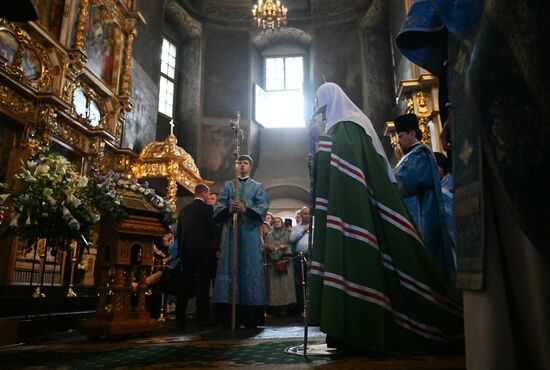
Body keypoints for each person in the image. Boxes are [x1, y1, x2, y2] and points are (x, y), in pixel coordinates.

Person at [307, 82, 463, 354]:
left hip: (355, 213)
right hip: (354, 209)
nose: (321, 116)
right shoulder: (350, 125)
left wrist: (321, 141)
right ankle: (343, 330)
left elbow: (347, 169)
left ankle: (358, 329)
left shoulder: (350, 125)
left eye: (322, 110)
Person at [392, 113, 456, 284]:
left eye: (401, 136)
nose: (398, 141)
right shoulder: (410, 156)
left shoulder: (421, 153)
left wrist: (384, 176)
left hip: (426, 218)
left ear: (413, 133)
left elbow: (405, 180)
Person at [212, 154, 270, 329]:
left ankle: (251, 318)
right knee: (229, 270)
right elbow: (218, 210)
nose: (242, 166)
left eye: (245, 163)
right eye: (239, 163)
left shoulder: (258, 187)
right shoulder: (228, 186)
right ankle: (227, 317)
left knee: (249, 271)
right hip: (230, 235)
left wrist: (246, 209)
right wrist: (229, 209)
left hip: (250, 236)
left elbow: (263, 208)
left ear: (250, 166)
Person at [176, 184, 218, 327]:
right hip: (203, 254)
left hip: (186, 253)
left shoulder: (183, 211)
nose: (208, 197)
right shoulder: (207, 209)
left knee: (184, 285)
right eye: (208, 194)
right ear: (204, 193)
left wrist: (180, 254)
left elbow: (179, 235)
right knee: (202, 285)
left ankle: (179, 316)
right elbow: (212, 230)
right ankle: (202, 316)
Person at [264, 216, 296, 315]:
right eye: (275, 221)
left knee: (286, 285)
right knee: (274, 286)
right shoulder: (269, 235)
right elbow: (266, 246)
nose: (277, 223)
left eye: (279, 221)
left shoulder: (287, 234)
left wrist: (284, 246)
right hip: (273, 263)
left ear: (282, 223)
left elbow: (291, 245)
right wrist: (271, 248)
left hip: (286, 262)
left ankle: (286, 308)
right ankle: (275, 308)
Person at [289, 206, 311, 315]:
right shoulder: (296, 228)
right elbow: (291, 239)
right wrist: (303, 230)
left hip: (313, 257)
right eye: (305, 213)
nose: (307, 215)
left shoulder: (317, 226)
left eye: (309, 213)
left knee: (312, 282)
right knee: (300, 282)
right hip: (300, 257)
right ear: (301, 215)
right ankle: (301, 308)